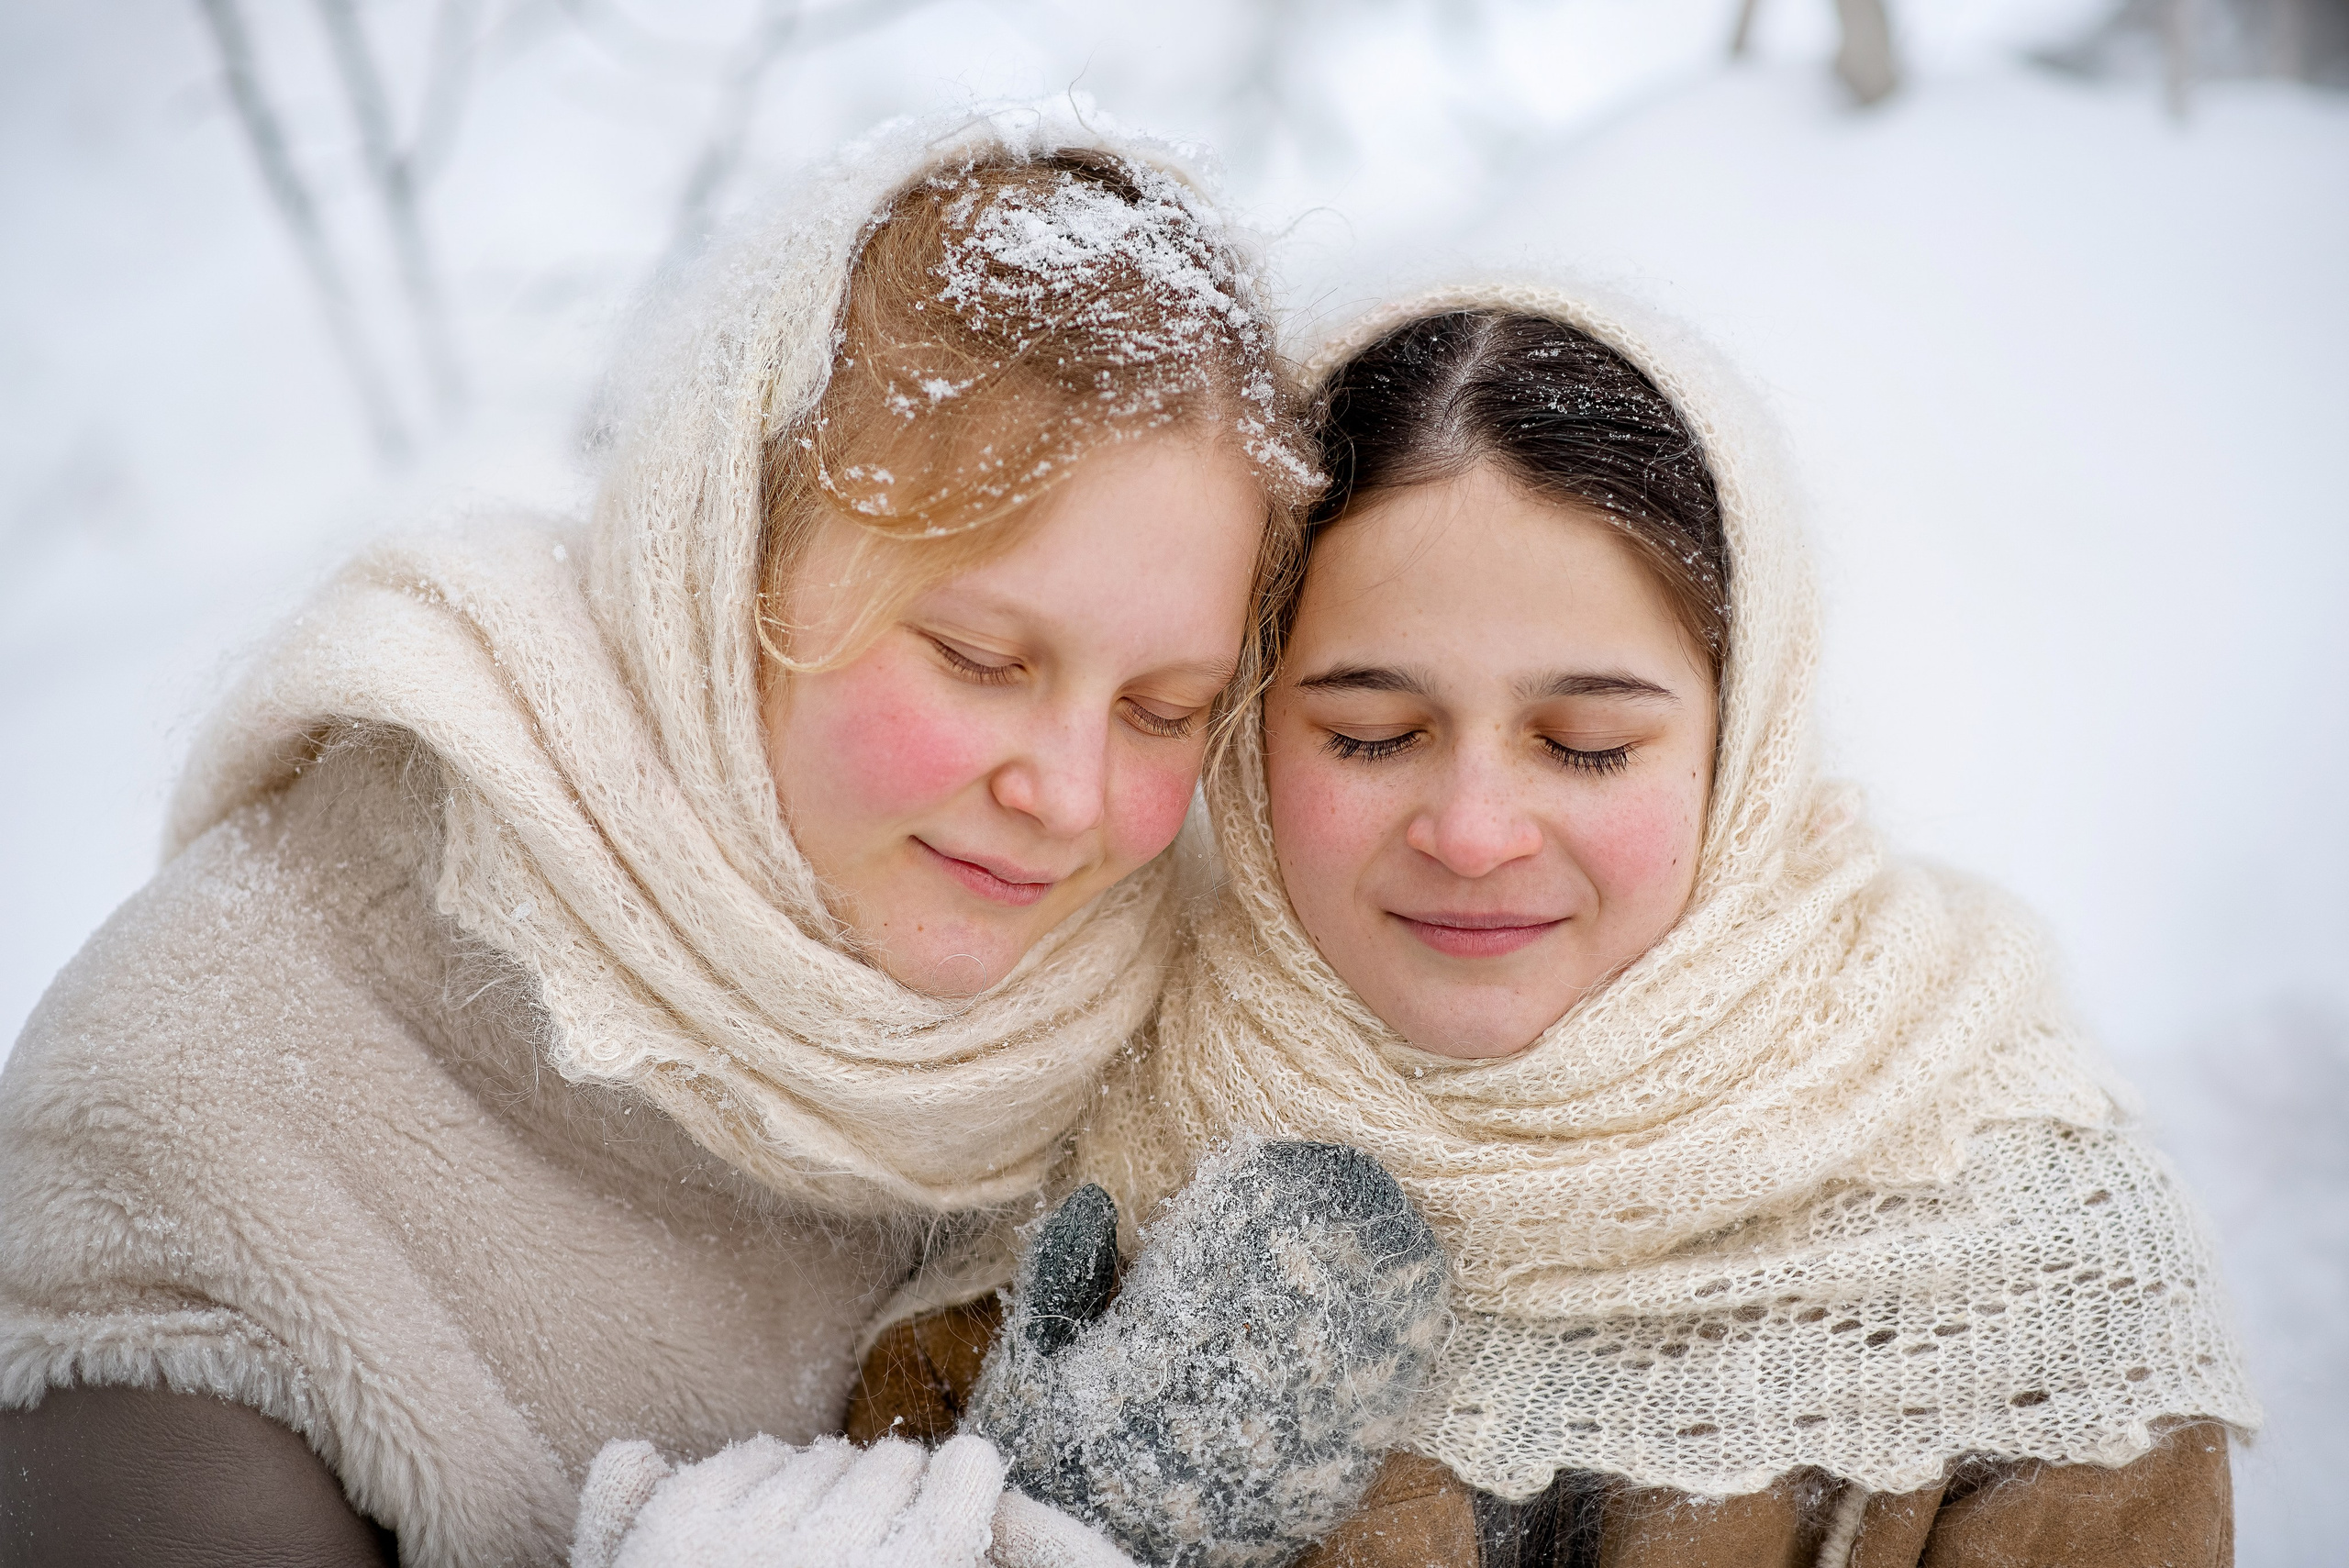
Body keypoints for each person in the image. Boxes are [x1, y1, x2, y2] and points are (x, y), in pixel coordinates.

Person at [0, 106, 1363, 1567]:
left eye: (1164, 708)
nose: (1073, 794)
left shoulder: (1191, 1046)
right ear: (725, 563)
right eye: (978, 658)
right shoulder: (214, 1111)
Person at [852, 288, 2258, 1566]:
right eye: (1372, 732)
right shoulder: (1059, 1131)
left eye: (1585, 744)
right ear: (1246, 730)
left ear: (1743, 738)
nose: (1473, 831)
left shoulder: (2028, 1261)